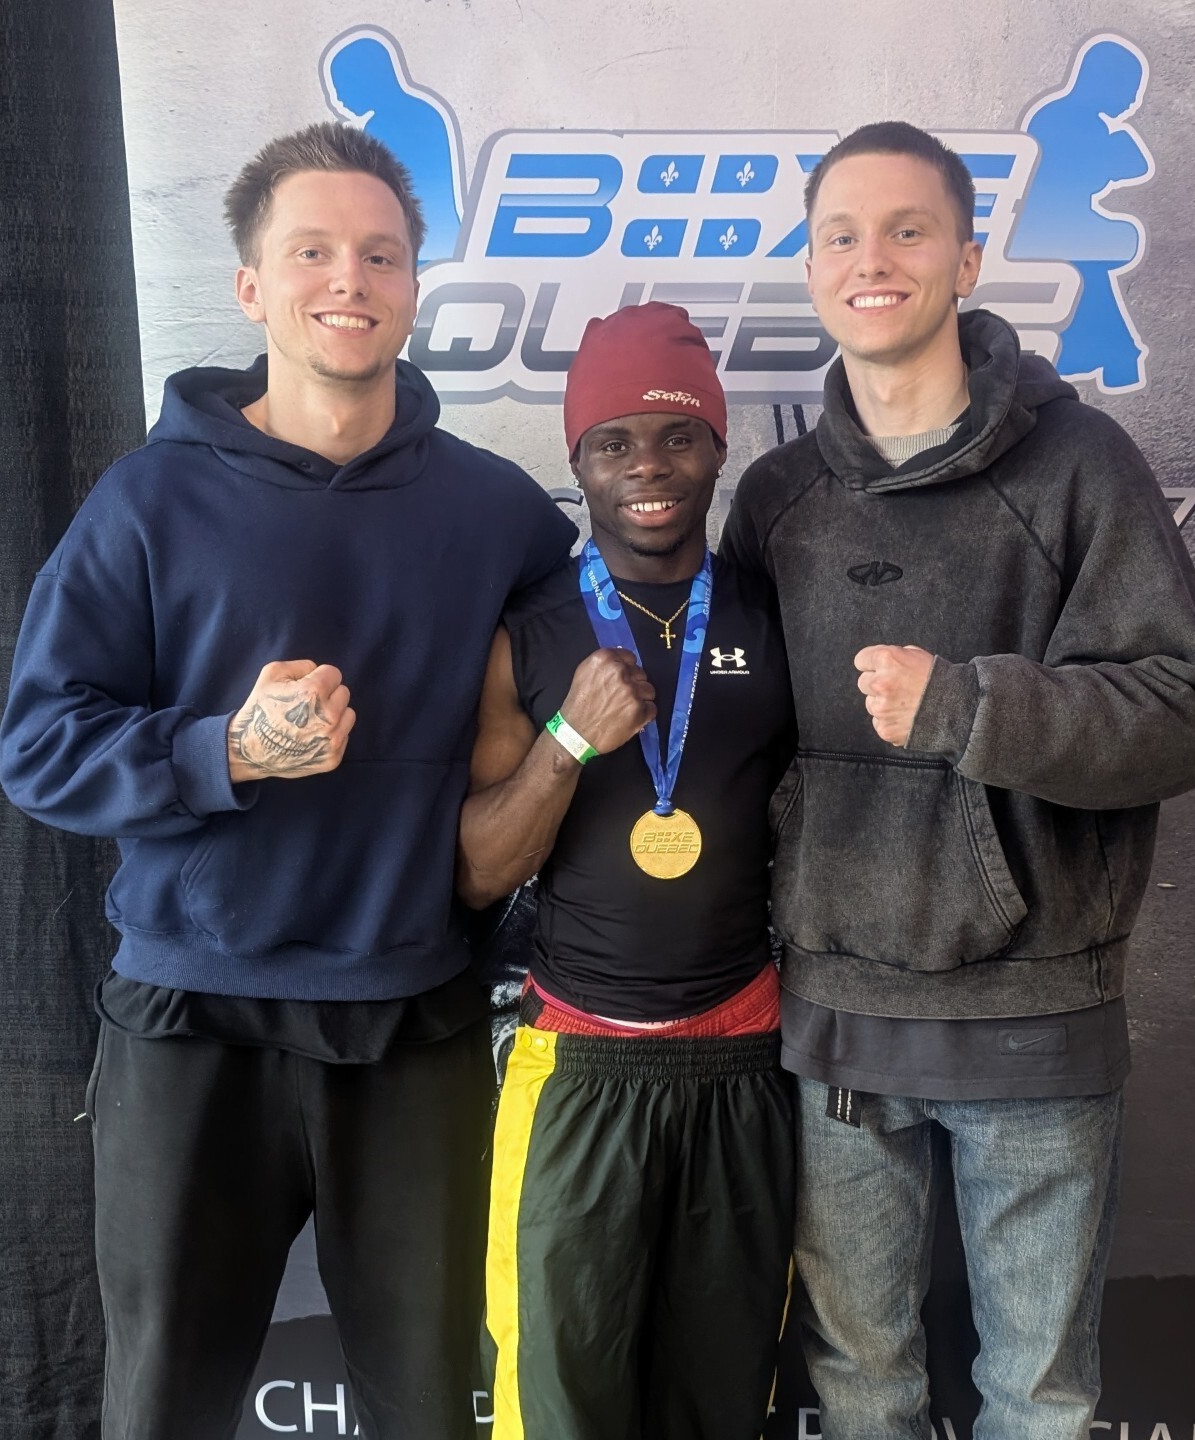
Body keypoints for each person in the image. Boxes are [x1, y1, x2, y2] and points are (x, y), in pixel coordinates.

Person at [0, 122, 574, 1439]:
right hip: (192, 1020)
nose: (348, 279)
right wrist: (227, 752)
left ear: (413, 287)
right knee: (162, 1406)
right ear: (252, 288)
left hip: (411, 1021)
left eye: (380, 254)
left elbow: (589, 662)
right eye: (311, 252)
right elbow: (37, 748)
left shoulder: (499, 514)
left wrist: (510, 734)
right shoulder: (145, 503)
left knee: (428, 1410)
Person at [719, 122, 1195, 1440]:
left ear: (965, 258)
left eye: (908, 230)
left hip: (1035, 1020)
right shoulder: (776, 499)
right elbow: (734, 749)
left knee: (1040, 1399)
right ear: (811, 266)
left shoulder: (1080, 466)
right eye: (842, 235)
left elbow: (1187, 715)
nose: (872, 260)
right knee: (861, 1385)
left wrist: (970, 708)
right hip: (837, 1020)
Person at [459, 302, 798, 1440]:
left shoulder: (774, 615)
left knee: (718, 1406)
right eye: (614, 441)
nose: (647, 466)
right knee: (560, 1408)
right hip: (578, 1067)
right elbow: (479, 873)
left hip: (745, 1059)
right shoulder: (532, 631)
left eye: (676, 436)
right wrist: (568, 739)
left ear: (717, 449)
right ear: (578, 461)